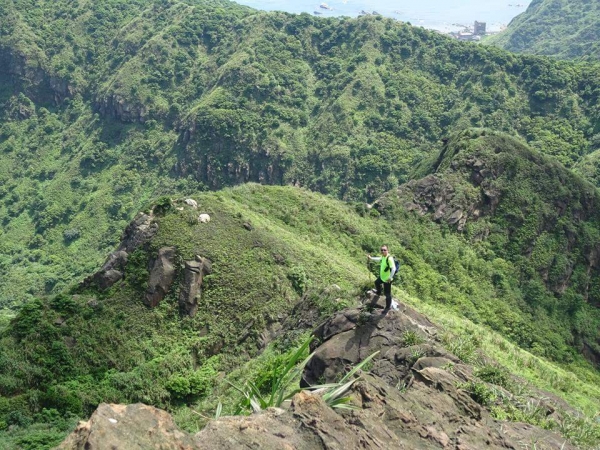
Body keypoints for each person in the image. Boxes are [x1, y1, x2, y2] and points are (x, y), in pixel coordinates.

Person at [367, 245, 396, 314]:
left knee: (387, 294)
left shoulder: (389, 258)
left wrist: (390, 278)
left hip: (387, 279)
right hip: (382, 277)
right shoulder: (383, 257)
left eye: (384, 250)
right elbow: (378, 259)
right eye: (382, 250)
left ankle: (388, 307)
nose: (383, 251)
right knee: (376, 282)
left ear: (388, 250)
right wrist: (371, 258)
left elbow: (393, 269)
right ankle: (378, 292)